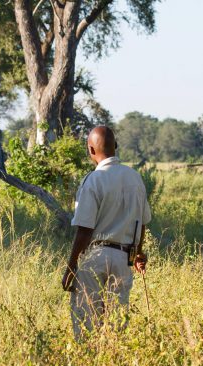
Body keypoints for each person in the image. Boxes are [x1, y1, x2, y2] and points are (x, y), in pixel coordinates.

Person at [61, 125, 151, 340]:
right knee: (116, 323)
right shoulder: (135, 178)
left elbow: (84, 230)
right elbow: (143, 222)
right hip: (124, 258)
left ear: (91, 150)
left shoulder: (93, 179)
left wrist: (71, 267)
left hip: (95, 256)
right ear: (116, 147)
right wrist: (137, 252)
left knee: (86, 321)